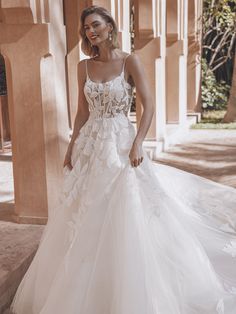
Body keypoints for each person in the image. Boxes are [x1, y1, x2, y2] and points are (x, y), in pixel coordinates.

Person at [10, 5, 236, 314]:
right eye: (86, 27)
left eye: (96, 24)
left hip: (120, 141)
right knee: (83, 211)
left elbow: (149, 104)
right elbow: (82, 112)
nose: (91, 31)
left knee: (124, 206)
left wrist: (139, 142)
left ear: (109, 26)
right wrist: (72, 145)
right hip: (91, 145)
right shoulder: (83, 66)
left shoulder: (129, 61)